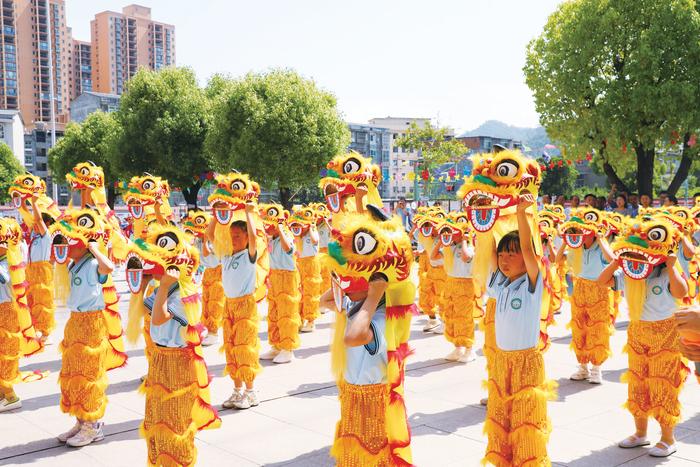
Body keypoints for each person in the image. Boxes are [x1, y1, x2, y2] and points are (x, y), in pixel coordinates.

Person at [483, 194, 555, 466]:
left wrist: (522, 214)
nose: (505, 258)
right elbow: (489, 250)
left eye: (512, 254)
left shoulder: (531, 285)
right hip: (502, 363)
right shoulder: (500, 285)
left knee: (526, 422)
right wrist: (486, 220)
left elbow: (528, 248)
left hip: (526, 363)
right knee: (502, 418)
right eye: (503, 253)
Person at [599, 252, 688, 457]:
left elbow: (681, 292)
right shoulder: (631, 272)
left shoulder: (666, 271)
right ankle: (640, 433)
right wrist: (617, 261)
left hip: (665, 333)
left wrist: (672, 266)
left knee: (662, 385)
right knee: (638, 384)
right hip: (638, 331)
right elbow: (602, 281)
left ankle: (668, 438)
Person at [57, 239, 115, 447]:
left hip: (91, 321)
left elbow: (109, 267)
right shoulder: (74, 264)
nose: (66, 246)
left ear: (82, 246)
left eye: (71, 243)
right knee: (74, 373)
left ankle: (93, 425)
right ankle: (81, 420)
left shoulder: (92, 263)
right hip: (75, 321)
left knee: (89, 374)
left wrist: (94, 249)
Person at [207, 203, 262, 410]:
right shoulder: (226, 255)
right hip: (229, 307)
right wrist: (215, 214)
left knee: (245, 349)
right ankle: (237, 391)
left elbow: (255, 236)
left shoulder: (250, 255)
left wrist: (248, 213)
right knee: (231, 348)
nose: (234, 238)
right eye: (232, 235)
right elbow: (210, 235)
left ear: (246, 237)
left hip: (245, 307)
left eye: (238, 234)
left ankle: (251, 392)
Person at [557, 216, 616, 384]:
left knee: (598, 329)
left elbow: (612, 260)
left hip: (599, 288)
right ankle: (582, 367)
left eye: (581, 232)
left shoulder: (601, 247)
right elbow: (557, 259)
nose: (579, 235)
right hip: (580, 287)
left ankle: (597, 368)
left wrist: (600, 238)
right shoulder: (577, 248)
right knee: (579, 327)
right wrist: (565, 241)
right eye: (576, 233)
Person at [432, 223, 476, 363]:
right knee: (451, 317)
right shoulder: (449, 248)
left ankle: (469, 349)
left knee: (464, 318)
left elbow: (466, 257)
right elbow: (433, 256)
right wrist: (441, 240)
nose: (450, 235)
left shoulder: (469, 246)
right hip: (451, 283)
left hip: (465, 284)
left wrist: (464, 239)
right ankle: (458, 348)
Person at [261, 213, 301, 364]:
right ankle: (277, 346)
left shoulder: (286, 235)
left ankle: (288, 349)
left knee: (287, 314)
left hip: (287, 278)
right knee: (274, 313)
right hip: (274, 277)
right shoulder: (272, 239)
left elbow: (289, 249)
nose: (266, 228)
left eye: (268, 225)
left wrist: (279, 227)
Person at [26, 196, 56, 343]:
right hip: (30, 270)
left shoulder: (46, 236)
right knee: (31, 301)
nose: (35, 225)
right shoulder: (35, 235)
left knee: (43, 301)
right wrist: (22, 201)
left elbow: (38, 220)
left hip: (42, 271)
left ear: (47, 223)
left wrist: (34, 202)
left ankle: (45, 332)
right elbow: (31, 219)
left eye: (38, 223)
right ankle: (36, 328)